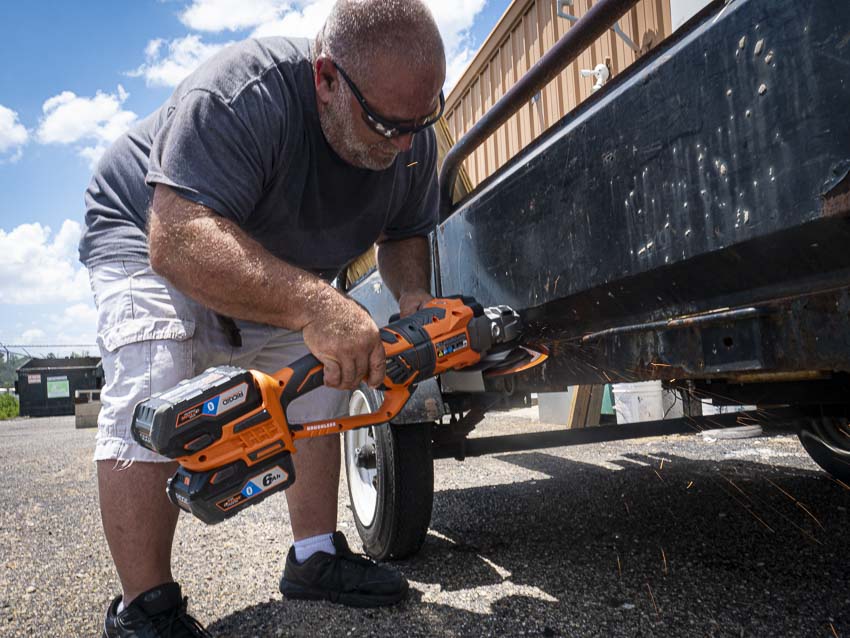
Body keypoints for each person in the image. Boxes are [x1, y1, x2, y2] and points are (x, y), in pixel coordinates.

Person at [79, 1, 446, 635]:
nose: (407, 142)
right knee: (155, 378)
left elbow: (406, 232)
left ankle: (314, 559)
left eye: (423, 118)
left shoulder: (409, 134)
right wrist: (317, 304)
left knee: (323, 375)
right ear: (326, 78)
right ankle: (145, 608)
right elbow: (178, 239)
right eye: (387, 124)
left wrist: (415, 301)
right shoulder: (240, 95)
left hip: (271, 254)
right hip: (151, 230)